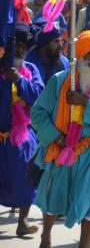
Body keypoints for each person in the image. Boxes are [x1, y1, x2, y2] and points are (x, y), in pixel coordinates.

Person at [32, 30, 90, 248]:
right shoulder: (60, 81)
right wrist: (55, 136)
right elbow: (38, 113)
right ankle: (46, 238)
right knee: (54, 197)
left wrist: (85, 103)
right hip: (62, 147)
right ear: (80, 55)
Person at [0, 23, 44, 236]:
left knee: (28, 179)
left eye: (24, 47)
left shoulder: (31, 70)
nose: (20, 50)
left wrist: (19, 79)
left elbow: (39, 96)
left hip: (22, 137)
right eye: (17, 45)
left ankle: (23, 222)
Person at [26, 17, 70, 84]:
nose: (60, 45)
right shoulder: (29, 65)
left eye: (60, 41)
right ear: (44, 44)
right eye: (56, 41)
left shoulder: (64, 63)